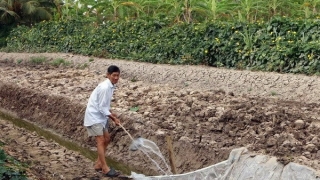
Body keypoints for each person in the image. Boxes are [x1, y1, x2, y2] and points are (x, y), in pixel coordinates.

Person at [84, 65, 121, 177]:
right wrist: (113, 117)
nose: (116, 78)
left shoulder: (111, 86)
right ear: (108, 75)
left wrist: (110, 112)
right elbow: (101, 107)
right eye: (114, 75)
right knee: (100, 140)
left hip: (101, 116)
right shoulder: (105, 87)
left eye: (118, 75)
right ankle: (105, 168)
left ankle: (98, 164)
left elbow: (103, 105)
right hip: (94, 116)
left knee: (107, 139)